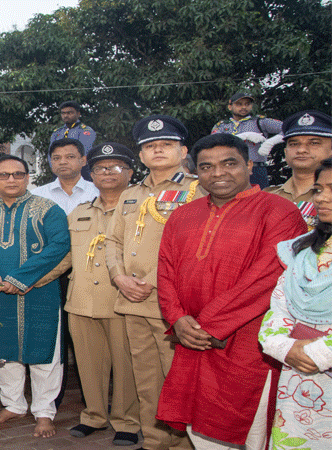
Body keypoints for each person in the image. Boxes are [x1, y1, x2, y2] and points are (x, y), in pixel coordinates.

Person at [157, 133, 307, 449]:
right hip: (192, 339)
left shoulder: (279, 211)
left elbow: (266, 278)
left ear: (249, 165)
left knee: (248, 428)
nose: (219, 173)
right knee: (199, 427)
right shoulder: (183, 214)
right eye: (207, 166)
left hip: (247, 341)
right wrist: (178, 318)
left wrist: (206, 326)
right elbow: (166, 271)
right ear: (196, 172)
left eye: (229, 163)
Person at [105, 115, 205, 450]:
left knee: (179, 380)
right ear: (142, 155)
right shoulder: (130, 193)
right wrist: (119, 277)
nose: (157, 150)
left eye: (166, 144)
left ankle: (184, 445)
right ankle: (154, 441)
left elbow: (200, 247)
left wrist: (150, 280)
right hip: (132, 300)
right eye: (150, 146)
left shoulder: (197, 190)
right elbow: (113, 242)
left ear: (183, 150)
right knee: (146, 380)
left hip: (172, 304)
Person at [0, 154, 70, 437]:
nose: (11, 179)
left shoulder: (49, 210)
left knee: (44, 353)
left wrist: (19, 279)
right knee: (4, 352)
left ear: (27, 177)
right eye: (4, 175)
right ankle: (13, 405)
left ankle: (44, 412)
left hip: (40, 292)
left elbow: (59, 247)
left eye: (18, 174)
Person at [65, 143, 140, 446]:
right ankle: (94, 415)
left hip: (123, 301)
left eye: (116, 166)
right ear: (91, 174)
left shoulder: (142, 208)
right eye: (100, 168)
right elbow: (64, 256)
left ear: (131, 172)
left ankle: (127, 421)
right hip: (81, 300)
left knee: (126, 367)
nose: (107, 173)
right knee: (88, 364)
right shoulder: (79, 212)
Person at [259, 157, 332, 450]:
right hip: (298, 380)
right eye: (318, 189)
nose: (323, 197)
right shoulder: (300, 250)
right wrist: (282, 347)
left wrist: (319, 354)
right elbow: (279, 306)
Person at [265, 111, 332, 228]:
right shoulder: (266, 197)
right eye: (294, 144)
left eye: (314, 143)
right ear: (285, 153)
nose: (301, 150)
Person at [210, 93, 282, 188]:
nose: (244, 107)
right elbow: (214, 142)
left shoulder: (260, 122)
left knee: (259, 200)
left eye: (247, 104)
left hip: (256, 170)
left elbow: (289, 128)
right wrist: (242, 136)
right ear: (230, 107)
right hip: (229, 169)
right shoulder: (222, 125)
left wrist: (271, 142)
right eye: (239, 104)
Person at [32, 138, 99, 214]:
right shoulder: (37, 196)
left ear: (83, 160)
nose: (62, 162)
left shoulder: (98, 192)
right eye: (56, 158)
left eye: (70, 157)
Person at [50, 101, 97, 181]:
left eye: (69, 113)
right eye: (63, 113)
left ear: (78, 114)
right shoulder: (57, 132)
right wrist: (53, 166)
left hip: (80, 170)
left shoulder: (85, 131)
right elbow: (50, 152)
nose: (66, 116)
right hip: (59, 170)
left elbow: (84, 151)